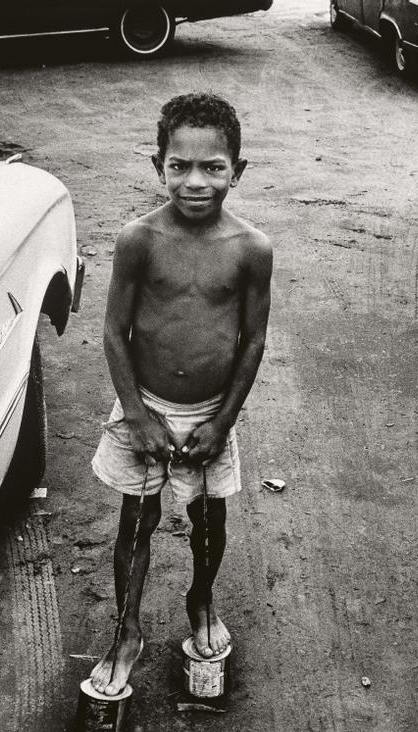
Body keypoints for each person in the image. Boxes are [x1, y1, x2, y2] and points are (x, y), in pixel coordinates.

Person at [88, 93, 273, 697]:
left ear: (236, 172)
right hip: (145, 408)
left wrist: (222, 424)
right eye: (179, 165)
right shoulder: (138, 239)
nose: (195, 181)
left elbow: (252, 340)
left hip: (211, 417)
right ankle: (126, 630)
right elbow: (115, 331)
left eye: (213, 167)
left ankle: (201, 600)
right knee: (135, 524)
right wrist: (138, 417)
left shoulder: (251, 249)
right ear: (157, 165)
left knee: (207, 520)